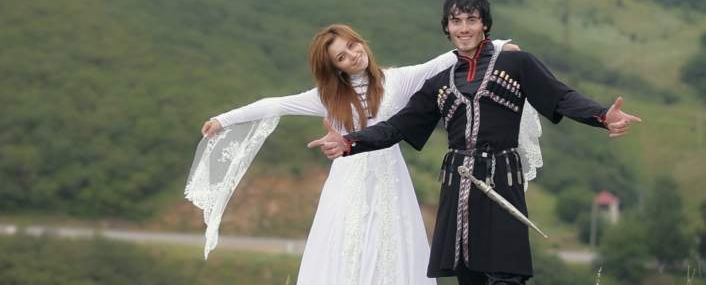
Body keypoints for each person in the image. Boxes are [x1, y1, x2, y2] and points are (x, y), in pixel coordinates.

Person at [308, 0, 641, 285]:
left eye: (471, 19)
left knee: (507, 275)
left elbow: (561, 97)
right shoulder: (439, 83)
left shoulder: (517, 64)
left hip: (502, 179)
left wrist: (602, 116)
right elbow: (395, 127)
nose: (463, 28)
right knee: (468, 275)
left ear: (484, 25)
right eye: (456, 21)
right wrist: (349, 142)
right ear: (447, 28)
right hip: (459, 185)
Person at [186, 23, 531, 285]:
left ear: (361, 42)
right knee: (346, 244)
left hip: (390, 178)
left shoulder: (397, 80)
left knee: (391, 244)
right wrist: (223, 120)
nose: (352, 55)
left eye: (352, 45)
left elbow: (443, 60)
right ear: (336, 68)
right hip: (347, 181)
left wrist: (499, 47)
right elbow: (275, 104)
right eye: (342, 56)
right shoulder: (327, 97)